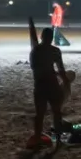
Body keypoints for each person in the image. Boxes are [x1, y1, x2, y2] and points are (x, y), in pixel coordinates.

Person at [28, 17, 72, 146]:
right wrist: (65, 81)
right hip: (52, 84)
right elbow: (61, 69)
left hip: (40, 84)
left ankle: (37, 137)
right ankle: (58, 139)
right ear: (52, 38)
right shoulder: (55, 51)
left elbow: (35, 67)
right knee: (56, 112)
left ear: (42, 37)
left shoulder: (35, 51)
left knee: (40, 114)